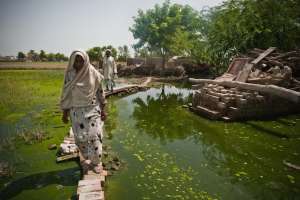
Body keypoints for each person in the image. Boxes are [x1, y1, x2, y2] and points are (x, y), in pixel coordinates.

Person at [60, 50, 107, 174]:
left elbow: (100, 92)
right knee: (80, 139)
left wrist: (103, 110)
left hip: (92, 110)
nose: (79, 63)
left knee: (94, 136)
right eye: (77, 61)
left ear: (86, 60)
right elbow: (67, 94)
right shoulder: (70, 75)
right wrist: (64, 113)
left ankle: (97, 163)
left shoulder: (93, 73)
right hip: (76, 112)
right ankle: (88, 159)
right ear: (72, 61)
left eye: (81, 60)